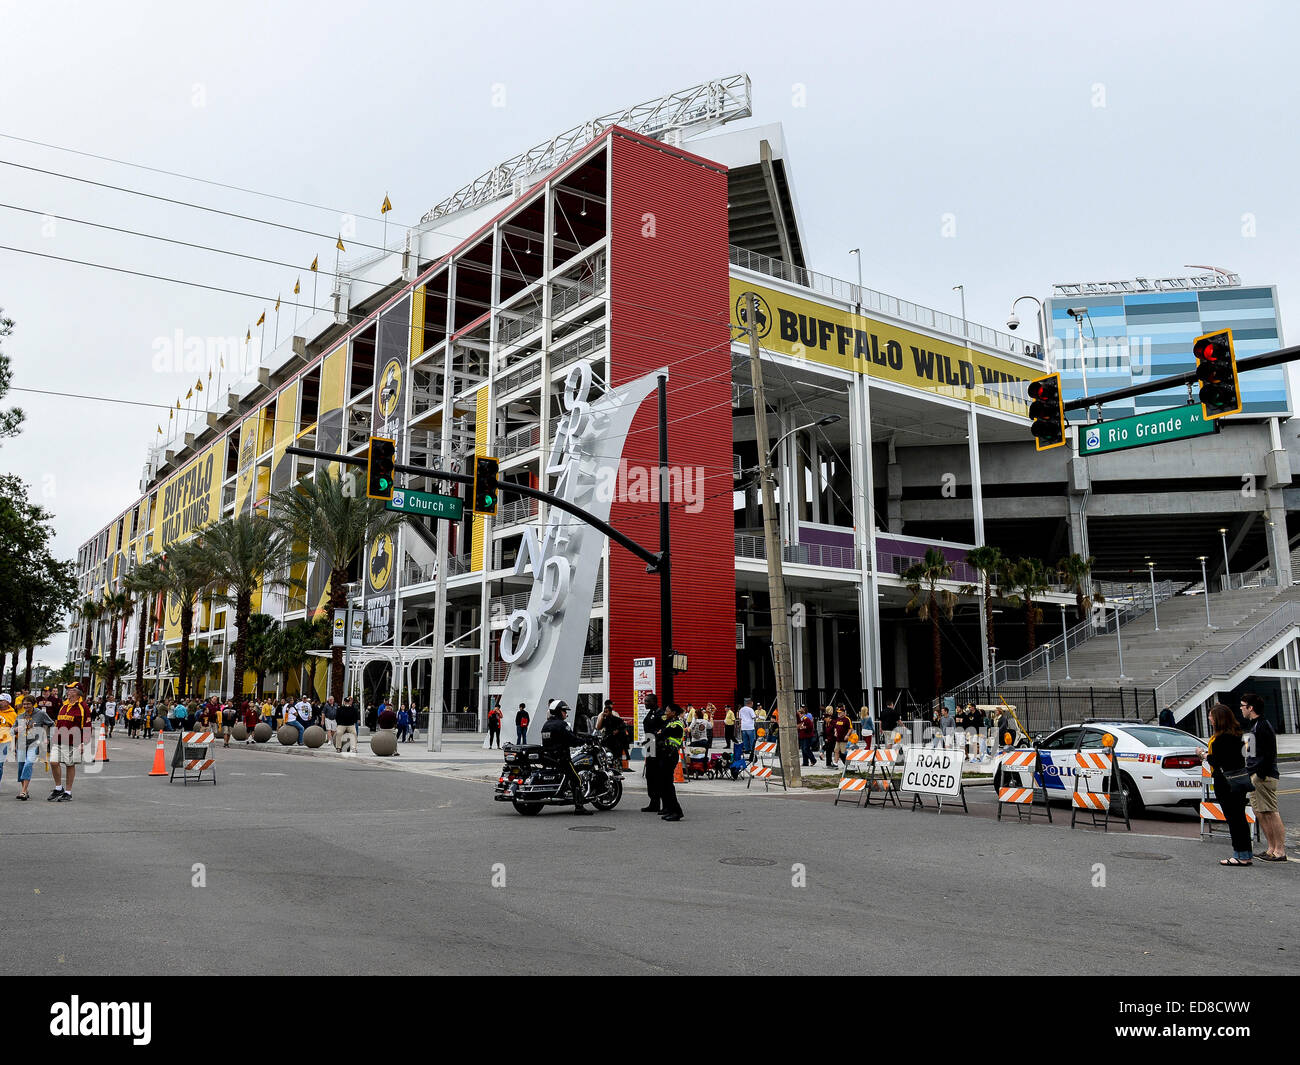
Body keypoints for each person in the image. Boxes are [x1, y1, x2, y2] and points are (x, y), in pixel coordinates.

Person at [1240, 692, 1286, 862]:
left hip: (1264, 776)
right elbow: (1248, 752)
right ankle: (1271, 848)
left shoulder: (1262, 725)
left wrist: (1260, 773)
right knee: (1260, 811)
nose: (1241, 709)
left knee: (1270, 811)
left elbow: (1269, 753)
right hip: (1254, 774)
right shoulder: (1254, 726)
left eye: (1243, 706)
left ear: (1250, 708)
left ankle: (1279, 850)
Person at [1206, 703, 1254, 866]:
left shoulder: (1220, 738)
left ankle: (1239, 854)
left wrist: (1204, 755)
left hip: (1225, 781)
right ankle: (1246, 853)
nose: (1209, 718)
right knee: (1239, 817)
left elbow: (1217, 760)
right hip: (1238, 779)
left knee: (1233, 819)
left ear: (1218, 719)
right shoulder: (1237, 734)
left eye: (1211, 716)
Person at [540, 701, 593, 815]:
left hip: (549, 758)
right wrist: (586, 741)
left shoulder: (546, 724)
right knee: (576, 779)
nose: (565, 714)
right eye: (564, 711)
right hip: (561, 758)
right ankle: (579, 807)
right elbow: (572, 740)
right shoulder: (562, 725)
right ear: (559, 712)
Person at [49, 682, 92, 802]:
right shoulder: (64, 705)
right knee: (53, 762)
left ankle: (68, 792)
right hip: (59, 739)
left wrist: (84, 743)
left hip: (74, 741)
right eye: (68, 690)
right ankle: (59, 788)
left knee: (69, 765)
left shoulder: (83, 707)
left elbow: (87, 726)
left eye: (71, 690)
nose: (68, 692)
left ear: (77, 692)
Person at [15, 695, 54, 800]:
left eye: (28, 704)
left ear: (33, 704)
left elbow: (52, 724)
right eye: (24, 704)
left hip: (34, 744)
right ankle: (25, 790)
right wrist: (15, 729)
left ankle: (23, 791)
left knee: (28, 764)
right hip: (21, 744)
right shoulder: (20, 716)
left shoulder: (40, 714)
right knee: (21, 767)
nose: (25, 706)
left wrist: (48, 737)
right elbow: (12, 730)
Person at [655, 704, 685, 822]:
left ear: (673, 712)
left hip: (670, 755)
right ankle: (668, 808)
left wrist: (661, 732)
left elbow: (662, 734)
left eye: (667, 711)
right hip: (665, 754)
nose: (665, 713)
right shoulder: (669, 722)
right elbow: (660, 733)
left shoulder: (676, 724)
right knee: (663, 783)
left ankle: (677, 811)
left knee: (668, 784)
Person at [641, 693, 665, 813]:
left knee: (657, 776)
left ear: (654, 702)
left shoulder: (661, 714)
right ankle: (653, 802)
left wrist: (654, 737)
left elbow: (662, 730)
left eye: (647, 701)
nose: (645, 703)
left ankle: (662, 803)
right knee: (649, 775)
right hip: (650, 746)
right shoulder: (651, 713)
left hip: (658, 747)